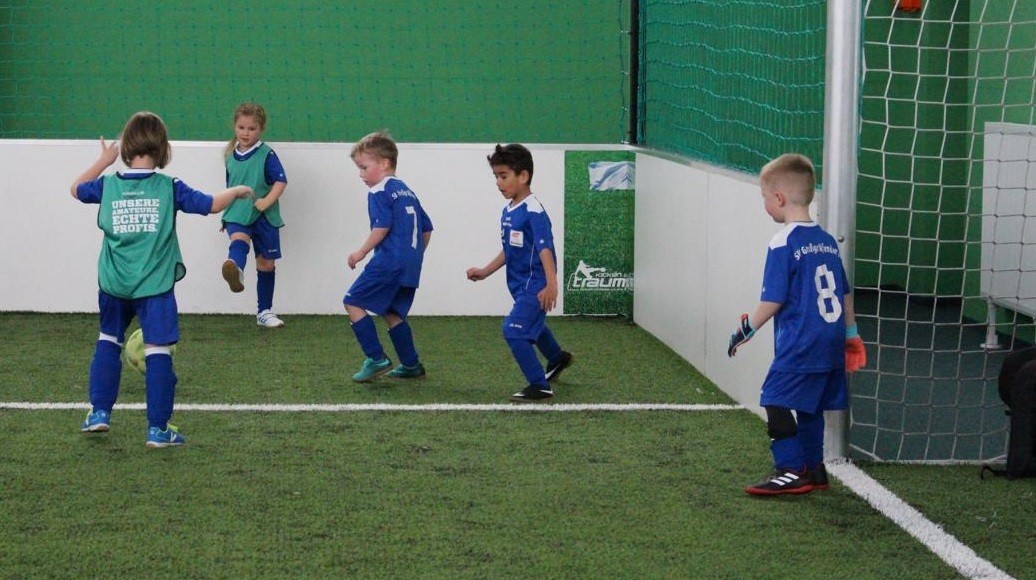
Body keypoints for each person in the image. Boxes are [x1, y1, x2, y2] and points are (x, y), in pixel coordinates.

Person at [71, 111, 253, 448]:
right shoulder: (169, 187)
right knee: (158, 350)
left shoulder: (108, 185)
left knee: (108, 340)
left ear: (126, 147)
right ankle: (158, 430)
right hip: (155, 286)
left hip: (113, 283)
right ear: (163, 148)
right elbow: (211, 205)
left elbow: (75, 189)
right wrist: (237, 190)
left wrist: (104, 161)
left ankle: (98, 413)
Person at [727, 153, 866, 495]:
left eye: (764, 198)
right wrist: (852, 335)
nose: (765, 205)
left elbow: (773, 300)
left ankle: (790, 469)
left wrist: (746, 330)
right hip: (831, 340)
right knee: (810, 404)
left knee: (774, 397)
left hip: (801, 342)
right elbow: (844, 293)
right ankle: (815, 469)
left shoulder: (783, 242)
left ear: (779, 198)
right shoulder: (827, 241)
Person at [466, 144, 574, 402]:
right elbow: (510, 250)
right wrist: (485, 271)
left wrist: (551, 284)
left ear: (523, 176)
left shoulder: (533, 211)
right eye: (496, 176)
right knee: (532, 323)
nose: (498, 182)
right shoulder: (509, 210)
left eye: (503, 176)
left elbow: (545, 248)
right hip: (520, 285)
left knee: (514, 330)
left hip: (536, 284)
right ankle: (558, 358)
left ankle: (540, 386)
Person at [343, 132, 433, 382]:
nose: (360, 174)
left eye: (364, 167)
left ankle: (376, 358)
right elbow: (426, 228)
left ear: (384, 163)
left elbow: (381, 227)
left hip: (389, 261)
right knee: (392, 312)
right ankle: (411, 364)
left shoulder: (378, 191)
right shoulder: (407, 191)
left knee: (352, 301)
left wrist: (361, 252)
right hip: (411, 265)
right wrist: (413, 255)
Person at [220, 103, 289, 328]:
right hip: (238, 212)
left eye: (251, 128)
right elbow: (230, 186)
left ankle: (264, 312)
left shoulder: (267, 154)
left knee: (266, 264)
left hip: (264, 215)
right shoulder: (230, 155)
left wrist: (267, 201)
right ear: (235, 127)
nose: (246, 133)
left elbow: (281, 181)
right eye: (241, 127)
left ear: (261, 129)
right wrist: (225, 214)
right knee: (239, 240)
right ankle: (235, 270)